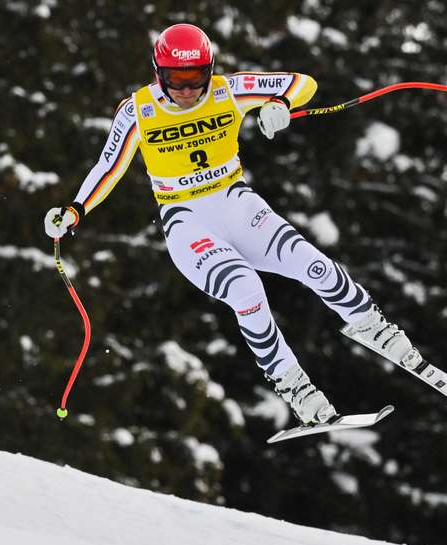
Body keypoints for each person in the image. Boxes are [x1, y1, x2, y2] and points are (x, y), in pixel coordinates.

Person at [45, 23, 423, 426]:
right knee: (245, 288)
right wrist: (73, 211)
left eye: (196, 80)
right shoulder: (139, 110)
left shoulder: (230, 89)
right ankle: (294, 386)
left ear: (210, 70)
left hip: (236, 204)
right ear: (158, 73)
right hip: (187, 222)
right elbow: (109, 166)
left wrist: (278, 103)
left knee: (313, 264)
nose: (188, 91)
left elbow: (303, 83)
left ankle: (374, 327)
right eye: (177, 81)